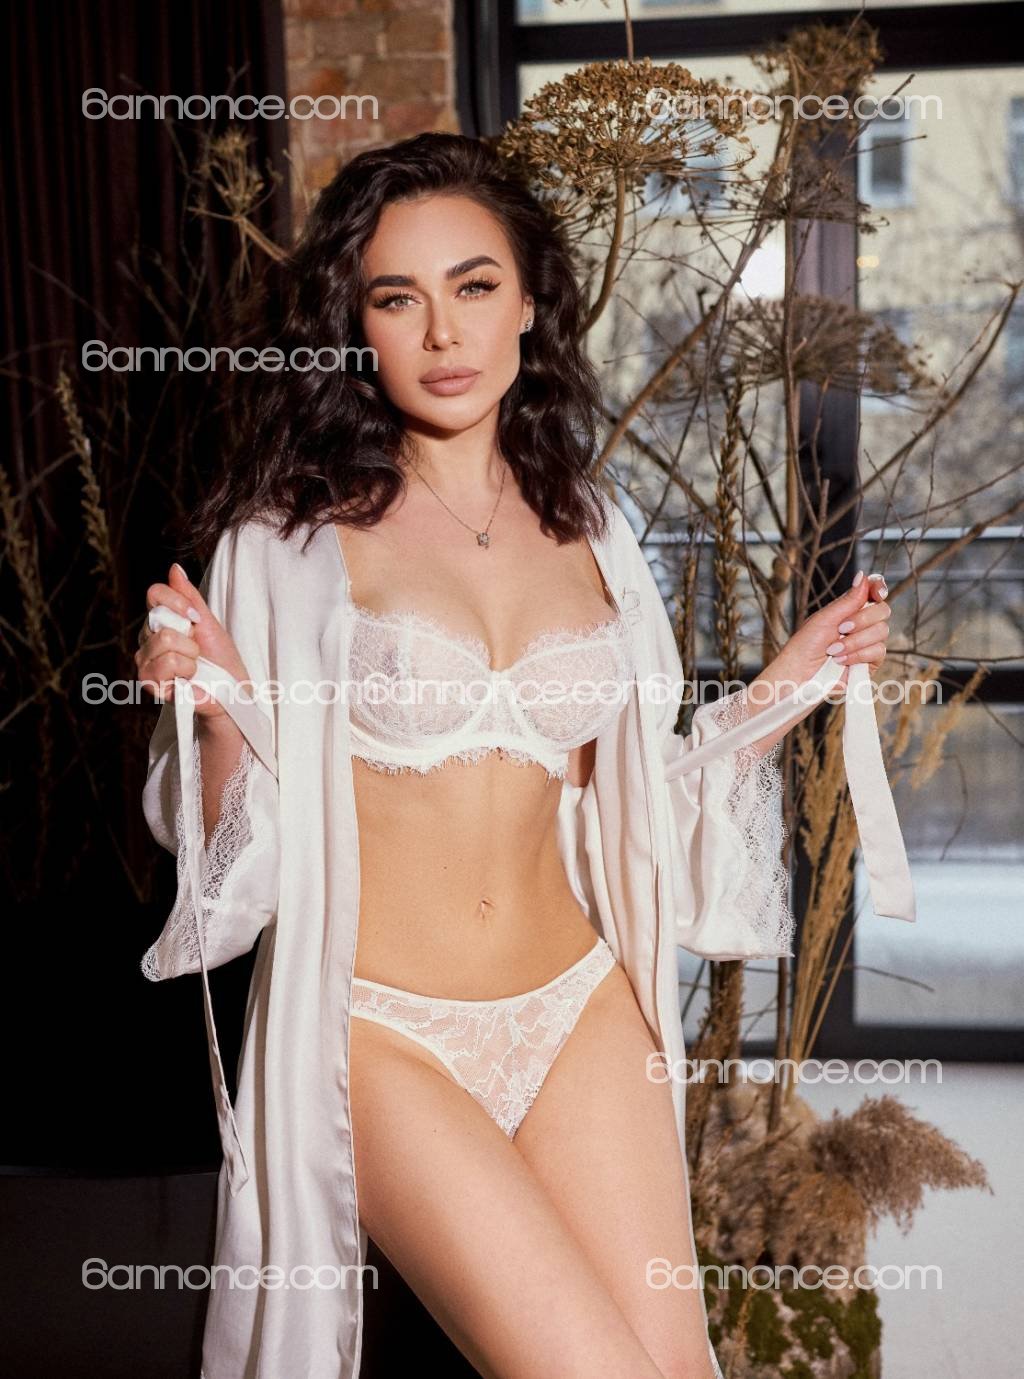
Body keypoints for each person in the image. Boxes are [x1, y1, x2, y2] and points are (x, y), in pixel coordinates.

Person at [135, 133, 906, 1379]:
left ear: (531, 301)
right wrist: (215, 710)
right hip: (382, 1028)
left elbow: (628, 793)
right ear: (355, 326)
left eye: (475, 284)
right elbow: (231, 868)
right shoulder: (284, 541)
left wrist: (784, 686)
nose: (443, 331)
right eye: (397, 298)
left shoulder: (591, 523)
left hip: (577, 1001)